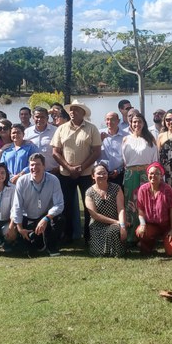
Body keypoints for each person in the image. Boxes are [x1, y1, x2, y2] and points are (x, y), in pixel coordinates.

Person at [51, 99, 102, 243]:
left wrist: (81, 167)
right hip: (66, 174)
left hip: (86, 174)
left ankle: (89, 236)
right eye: (71, 110)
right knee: (66, 205)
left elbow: (96, 152)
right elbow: (55, 152)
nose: (72, 112)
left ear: (83, 113)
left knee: (89, 206)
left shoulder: (92, 128)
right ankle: (67, 235)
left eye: (76, 110)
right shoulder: (61, 128)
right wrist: (69, 168)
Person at [12, 154, 65, 256]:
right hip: (28, 217)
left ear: (44, 166)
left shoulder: (53, 180)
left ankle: (52, 247)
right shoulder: (22, 181)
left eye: (38, 165)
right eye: (32, 165)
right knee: (30, 249)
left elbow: (59, 204)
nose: (34, 168)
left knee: (60, 219)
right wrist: (19, 228)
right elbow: (17, 206)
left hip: (45, 216)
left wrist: (46, 218)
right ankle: (37, 242)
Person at [121, 111, 159, 243]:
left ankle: (146, 236)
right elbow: (125, 160)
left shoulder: (150, 139)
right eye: (134, 122)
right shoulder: (126, 139)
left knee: (146, 204)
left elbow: (155, 160)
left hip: (145, 175)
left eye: (139, 122)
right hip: (131, 175)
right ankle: (131, 236)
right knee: (130, 204)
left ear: (144, 123)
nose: (137, 124)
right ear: (130, 124)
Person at [135, 162, 172, 256]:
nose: (153, 176)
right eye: (151, 173)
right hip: (153, 224)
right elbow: (141, 209)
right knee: (140, 231)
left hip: (169, 224)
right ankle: (148, 247)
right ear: (147, 175)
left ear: (161, 176)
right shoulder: (142, 189)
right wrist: (142, 224)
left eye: (156, 173)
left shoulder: (167, 189)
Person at [85, 164, 126, 257]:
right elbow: (94, 215)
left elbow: (121, 209)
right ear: (93, 176)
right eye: (99, 173)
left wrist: (122, 226)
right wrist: (116, 222)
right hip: (97, 225)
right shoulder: (89, 192)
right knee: (98, 252)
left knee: (115, 230)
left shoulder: (117, 188)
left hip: (115, 226)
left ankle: (117, 251)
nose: (102, 176)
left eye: (104, 173)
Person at [25, 106, 59, 174]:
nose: (39, 119)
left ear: (47, 118)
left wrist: (59, 167)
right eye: (37, 117)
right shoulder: (27, 132)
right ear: (33, 118)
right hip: (33, 171)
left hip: (53, 171)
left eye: (42, 117)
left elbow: (62, 150)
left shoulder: (56, 131)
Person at [99, 111, 127, 188]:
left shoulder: (125, 136)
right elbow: (93, 152)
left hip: (119, 173)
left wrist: (119, 170)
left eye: (112, 119)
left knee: (120, 197)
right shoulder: (99, 134)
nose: (109, 122)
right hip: (102, 173)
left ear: (118, 121)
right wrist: (100, 141)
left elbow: (127, 156)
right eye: (107, 119)